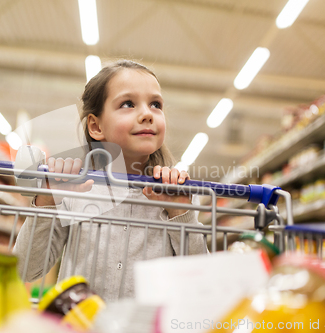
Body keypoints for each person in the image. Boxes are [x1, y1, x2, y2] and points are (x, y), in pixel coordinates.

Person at [14, 60, 208, 301]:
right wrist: (48, 199)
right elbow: (26, 268)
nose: (147, 114)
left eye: (155, 104)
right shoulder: (76, 189)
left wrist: (182, 213)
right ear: (96, 126)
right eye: (128, 104)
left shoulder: (176, 193)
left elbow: (201, 279)